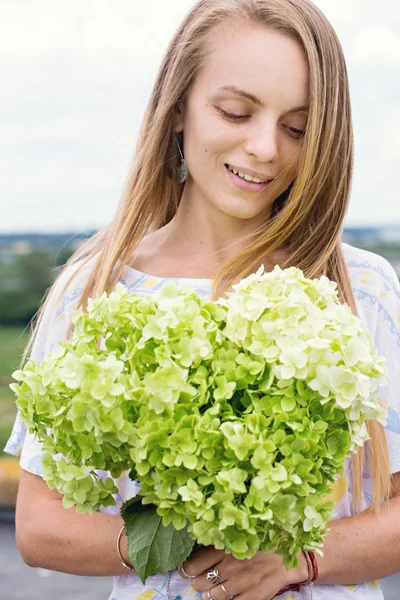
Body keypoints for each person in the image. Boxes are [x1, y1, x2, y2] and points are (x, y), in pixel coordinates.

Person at [5, 0, 400, 598]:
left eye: (297, 127)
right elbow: (39, 526)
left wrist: (294, 561)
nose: (265, 147)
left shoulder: (359, 290)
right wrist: (191, 540)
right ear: (178, 110)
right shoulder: (99, 287)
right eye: (236, 112)